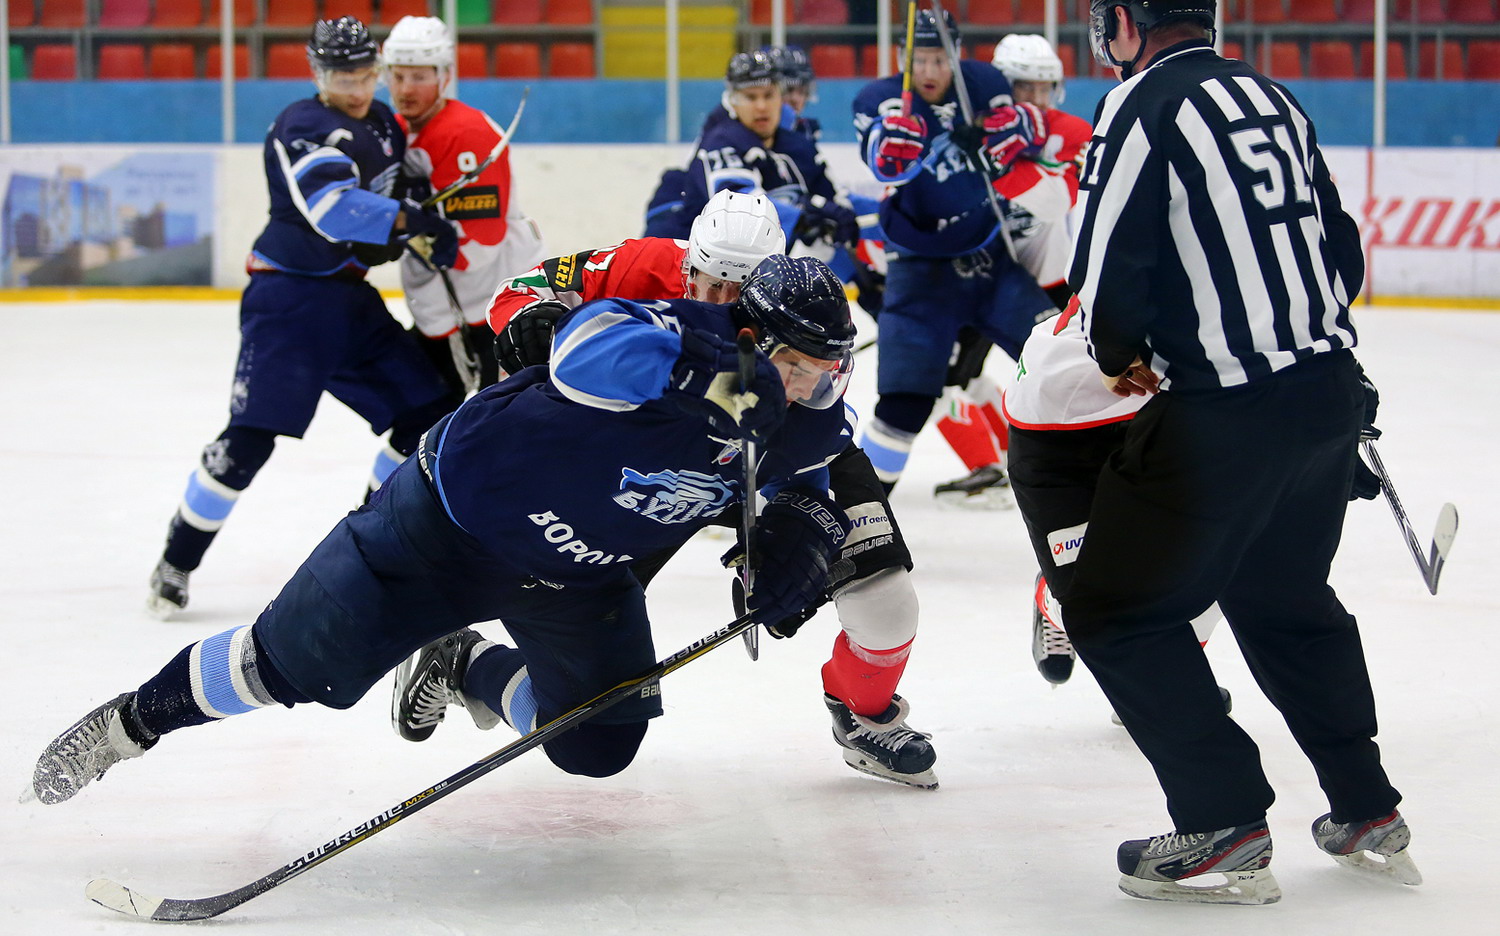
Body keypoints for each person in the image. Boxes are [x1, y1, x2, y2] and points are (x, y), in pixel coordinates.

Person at [30, 256, 860, 806]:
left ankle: (469, 667)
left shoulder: (809, 415)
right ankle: (131, 722)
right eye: (792, 365)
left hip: (576, 575)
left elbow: (805, 485)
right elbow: (581, 351)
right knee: (282, 666)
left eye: (825, 370)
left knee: (601, 743)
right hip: (445, 527)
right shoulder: (678, 335)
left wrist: (796, 541)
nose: (806, 386)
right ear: (750, 338)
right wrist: (701, 378)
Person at [1059, 0, 1419, 904]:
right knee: (1284, 599)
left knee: (1111, 612)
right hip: (1326, 394)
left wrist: (1116, 350)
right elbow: (1338, 248)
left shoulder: (1140, 106)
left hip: (1225, 412)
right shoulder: (1273, 96)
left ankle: (1221, 819)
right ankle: (1367, 807)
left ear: (1129, 22)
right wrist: (1308, 344)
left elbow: (1104, 263)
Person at [474, 191, 938, 788]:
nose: (719, 301)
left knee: (887, 603)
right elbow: (520, 289)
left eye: (737, 291)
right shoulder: (642, 264)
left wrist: (798, 517)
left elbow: (815, 418)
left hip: (778, 445)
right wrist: (531, 325)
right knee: (580, 680)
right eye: (707, 281)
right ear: (688, 260)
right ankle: (472, 665)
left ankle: (864, 715)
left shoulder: (800, 305)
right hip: (651, 465)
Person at [146, 16, 462, 619]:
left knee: (426, 411)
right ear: (318, 73)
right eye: (343, 74)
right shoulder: (305, 125)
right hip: (288, 303)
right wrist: (410, 225)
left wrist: (416, 223)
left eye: (365, 73)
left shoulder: (382, 123)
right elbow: (335, 211)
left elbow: (390, 203)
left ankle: (372, 547)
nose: (357, 86)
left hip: (347, 299)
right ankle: (176, 560)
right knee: (247, 444)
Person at [851, 9, 1056, 495]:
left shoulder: (983, 82)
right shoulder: (879, 97)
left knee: (1062, 363)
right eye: (918, 59)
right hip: (920, 276)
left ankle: (1107, 485)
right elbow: (884, 165)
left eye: (939, 59)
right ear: (903, 58)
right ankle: (859, 515)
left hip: (993, 264)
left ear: (956, 56)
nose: (927, 72)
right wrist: (892, 150)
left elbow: (1031, 135)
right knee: (904, 404)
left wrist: (1016, 128)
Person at [931, 34, 1094, 510]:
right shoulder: (969, 128)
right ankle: (994, 461)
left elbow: (1056, 199)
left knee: (1068, 381)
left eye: (1045, 89)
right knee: (947, 376)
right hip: (982, 277)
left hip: (1051, 283)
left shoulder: (1071, 132)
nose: (1036, 101)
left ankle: (1072, 466)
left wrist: (998, 160)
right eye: (1024, 89)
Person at [383, 15, 546, 393]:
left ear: (444, 76)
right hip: (456, 311)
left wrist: (405, 230)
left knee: (501, 421)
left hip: (498, 310)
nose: (406, 88)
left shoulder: (465, 133)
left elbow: (478, 246)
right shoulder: (398, 128)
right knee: (424, 413)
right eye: (398, 75)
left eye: (420, 76)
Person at [643, 50, 858, 258]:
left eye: (768, 95)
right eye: (751, 97)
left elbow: (833, 204)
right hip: (683, 251)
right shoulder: (721, 140)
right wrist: (806, 215)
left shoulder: (796, 145)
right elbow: (742, 209)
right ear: (733, 100)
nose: (762, 106)